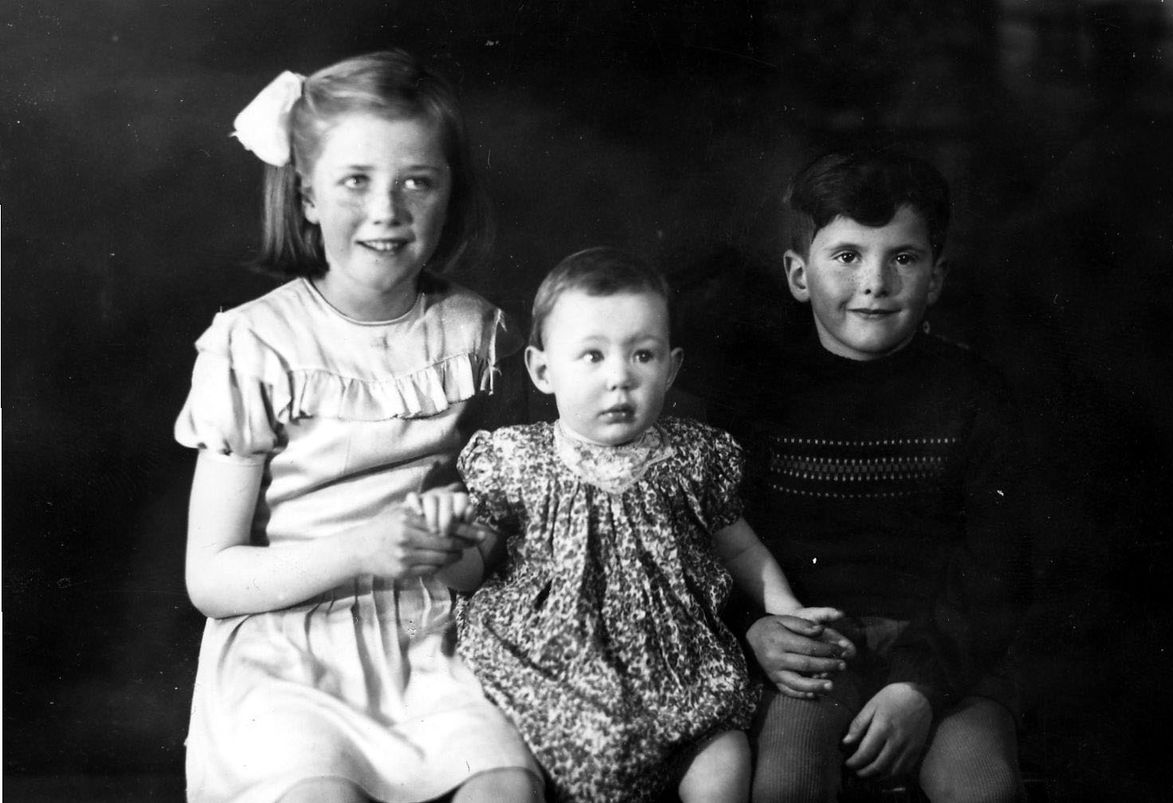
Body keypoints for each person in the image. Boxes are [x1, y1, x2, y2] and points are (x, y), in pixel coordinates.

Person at [174, 50, 543, 803]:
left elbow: (501, 526)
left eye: (417, 181)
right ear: (306, 195)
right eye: (355, 181)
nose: (387, 210)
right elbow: (209, 578)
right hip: (289, 648)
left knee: (506, 787)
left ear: (449, 194)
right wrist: (360, 548)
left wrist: (460, 541)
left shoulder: (477, 333)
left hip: (433, 637)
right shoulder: (256, 344)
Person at [446, 247, 848, 803]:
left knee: (724, 764)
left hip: (679, 662)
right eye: (592, 355)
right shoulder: (516, 460)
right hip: (554, 664)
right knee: (518, 766)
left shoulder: (693, 456)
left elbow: (740, 549)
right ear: (542, 370)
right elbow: (471, 571)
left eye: (642, 355)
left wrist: (784, 607)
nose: (620, 378)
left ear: (672, 368)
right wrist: (448, 548)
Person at [715, 149, 1029, 802]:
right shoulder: (759, 396)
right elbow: (721, 539)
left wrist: (919, 687)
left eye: (903, 258)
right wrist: (754, 626)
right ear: (799, 274)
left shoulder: (976, 395)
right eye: (847, 256)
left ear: (936, 277)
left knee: (982, 789)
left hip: (947, 655)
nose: (875, 282)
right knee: (784, 786)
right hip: (814, 654)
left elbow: (996, 565)